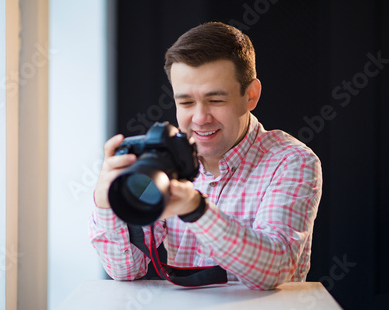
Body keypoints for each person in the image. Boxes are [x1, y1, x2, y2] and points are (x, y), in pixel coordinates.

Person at [89, 22, 322, 290]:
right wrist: (106, 203)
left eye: (216, 100)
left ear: (251, 95)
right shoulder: (163, 160)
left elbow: (274, 270)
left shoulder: (290, 160)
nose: (200, 118)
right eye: (186, 102)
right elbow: (126, 270)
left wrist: (196, 210)